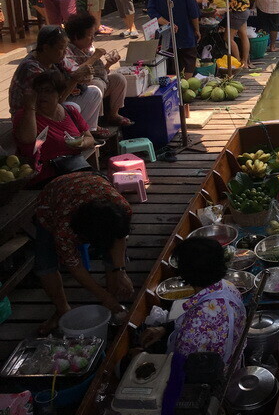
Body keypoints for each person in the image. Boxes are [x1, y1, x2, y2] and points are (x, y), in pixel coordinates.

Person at [32, 171, 133, 334]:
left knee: (111, 244)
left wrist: (121, 271)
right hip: (52, 199)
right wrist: (105, 297)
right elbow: (76, 268)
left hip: (90, 183)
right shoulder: (63, 230)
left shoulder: (121, 208)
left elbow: (119, 237)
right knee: (45, 264)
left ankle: (111, 302)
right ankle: (62, 310)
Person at [139, 237, 245, 368]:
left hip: (207, 380)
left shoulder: (194, 326)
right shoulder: (229, 287)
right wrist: (164, 329)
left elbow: (178, 367)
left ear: (184, 274)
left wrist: (144, 355)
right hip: (233, 361)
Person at [8, 26, 109, 138]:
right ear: (46, 48)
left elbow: (74, 71)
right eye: (61, 48)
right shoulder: (32, 69)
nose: (64, 52)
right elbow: (55, 101)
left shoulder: (54, 57)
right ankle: (71, 135)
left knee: (94, 92)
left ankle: (87, 132)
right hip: (30, 115)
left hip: (48, 105)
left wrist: (80, 75)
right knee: (73, 107)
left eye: (66, 48)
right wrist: (75, 79)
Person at [13, 70, 96, 185]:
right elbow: (27, 139)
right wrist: (30, 107)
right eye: (38, 91)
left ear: (60, 94)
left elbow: (89, 138)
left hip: (75, 170)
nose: (42, 95)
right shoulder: (25, 115)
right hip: (45, 179)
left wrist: (81, 144)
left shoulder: (70, 111)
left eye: (48, 91)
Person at [64, 13, 132, 126]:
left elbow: (99, 72)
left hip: (97, 83)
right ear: (76, 37)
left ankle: (113, 114)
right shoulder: (67, 51)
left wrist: (108, 65)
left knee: (118, 78)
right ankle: (96, 123)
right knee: (97, 84)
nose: (93, 39)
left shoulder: (88, 47)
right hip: (79, 92)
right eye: (90, 35)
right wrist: (94, 56)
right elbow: (76, 73)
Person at [147, 0, 201, 77]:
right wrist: (197, 29)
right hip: (186, 30)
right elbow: (193, 12)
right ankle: (187, 83)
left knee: (170, 61)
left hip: (166, 34)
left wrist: (167, 23)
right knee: (189, 58)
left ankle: (175, 87)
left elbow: (151, 11)